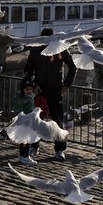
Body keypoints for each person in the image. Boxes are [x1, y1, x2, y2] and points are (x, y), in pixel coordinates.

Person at [23, 27, 76, 161]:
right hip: (40, 90)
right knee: (36, 119)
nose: (46, 42)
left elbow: (73, 67)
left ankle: (60, 149)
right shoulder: (35, 50)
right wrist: (34, 85)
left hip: (55, 89)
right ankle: (34, 145)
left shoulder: (61, 49)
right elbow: (28, 69)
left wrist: (67, 84)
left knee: (57, 121)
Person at [11, 77, 38, 165]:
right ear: (23, 89)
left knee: (23, 140)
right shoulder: (21, 98)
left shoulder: (29, 97)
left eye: (30, 89)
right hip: (24, 121)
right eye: (27, 89)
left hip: (29, 120)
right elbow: (18, 110)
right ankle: (25, 156)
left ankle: (22, 156)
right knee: (26, 140)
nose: (29, 91)